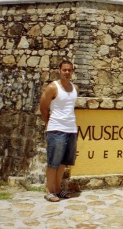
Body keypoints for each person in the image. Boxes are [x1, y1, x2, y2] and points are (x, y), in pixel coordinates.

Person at [40, 60, 78, 202]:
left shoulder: (75, 88)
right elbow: (43, 107)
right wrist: (50, 123)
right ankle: (49, 190)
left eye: (69, 70)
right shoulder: (53, 87)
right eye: (64, 70)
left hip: (71, 129)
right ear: (59, 70)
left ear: (72, 71)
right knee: (53, 162)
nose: (67, 72)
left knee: (63, 162)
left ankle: (57, 189)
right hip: (56, 129)